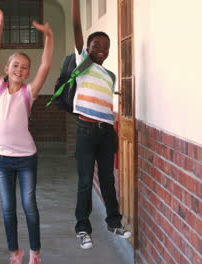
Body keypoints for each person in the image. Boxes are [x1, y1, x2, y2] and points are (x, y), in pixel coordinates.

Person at [0, 7, 53, 264]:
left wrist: (48, 37)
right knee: (7, 210)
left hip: (26, 158)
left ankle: (35, 252)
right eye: (16, 65)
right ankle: (15, 252)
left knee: (29, 207)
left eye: (25, 68)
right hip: (3, 159)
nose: (20, 69)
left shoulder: (28, 93)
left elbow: (46, 65)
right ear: (7, 67)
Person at [71, 0, 132, 250]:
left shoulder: (110, 76)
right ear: (87, 48)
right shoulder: (83, 65)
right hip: (86, 131)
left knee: (107, 180)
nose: (101, 50)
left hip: (106, 133)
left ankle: (114, 222)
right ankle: (83, 229)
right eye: (96, 46)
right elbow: (76, 26)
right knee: (86, 181)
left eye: (105, 47)